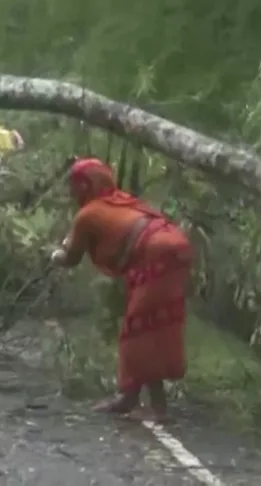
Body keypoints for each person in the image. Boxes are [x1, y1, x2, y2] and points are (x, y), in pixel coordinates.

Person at [50, 157, 193, 421]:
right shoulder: (122, 200)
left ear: (85, 186)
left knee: (139, 330)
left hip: (156, 253)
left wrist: (54, 255)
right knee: (153, 326)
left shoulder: (88, 214)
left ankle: (151, 406)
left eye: (74, 186)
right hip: (176, 246)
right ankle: (134, 398)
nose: (70, 193)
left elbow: (70, 258)